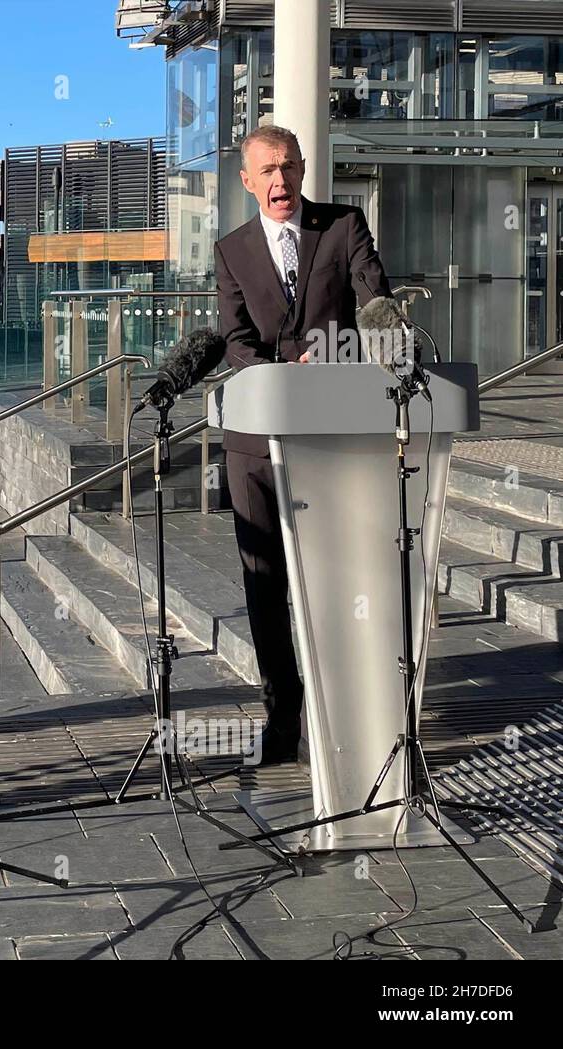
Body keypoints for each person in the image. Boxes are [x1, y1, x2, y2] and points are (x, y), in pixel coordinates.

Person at [214, 125, 392, 765]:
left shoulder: (345, 227)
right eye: (266, 170)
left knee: (338, 577)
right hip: (256, 438)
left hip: (335, 432)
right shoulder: (231, 250)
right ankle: (281, 718)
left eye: (288, 167)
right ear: (247, 180)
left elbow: (377, 304)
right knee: (264, 582)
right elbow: (235, 340)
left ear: (304, 167)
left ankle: (347, 713)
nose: (280, 181)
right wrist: (273, 374)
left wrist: (368, 341)